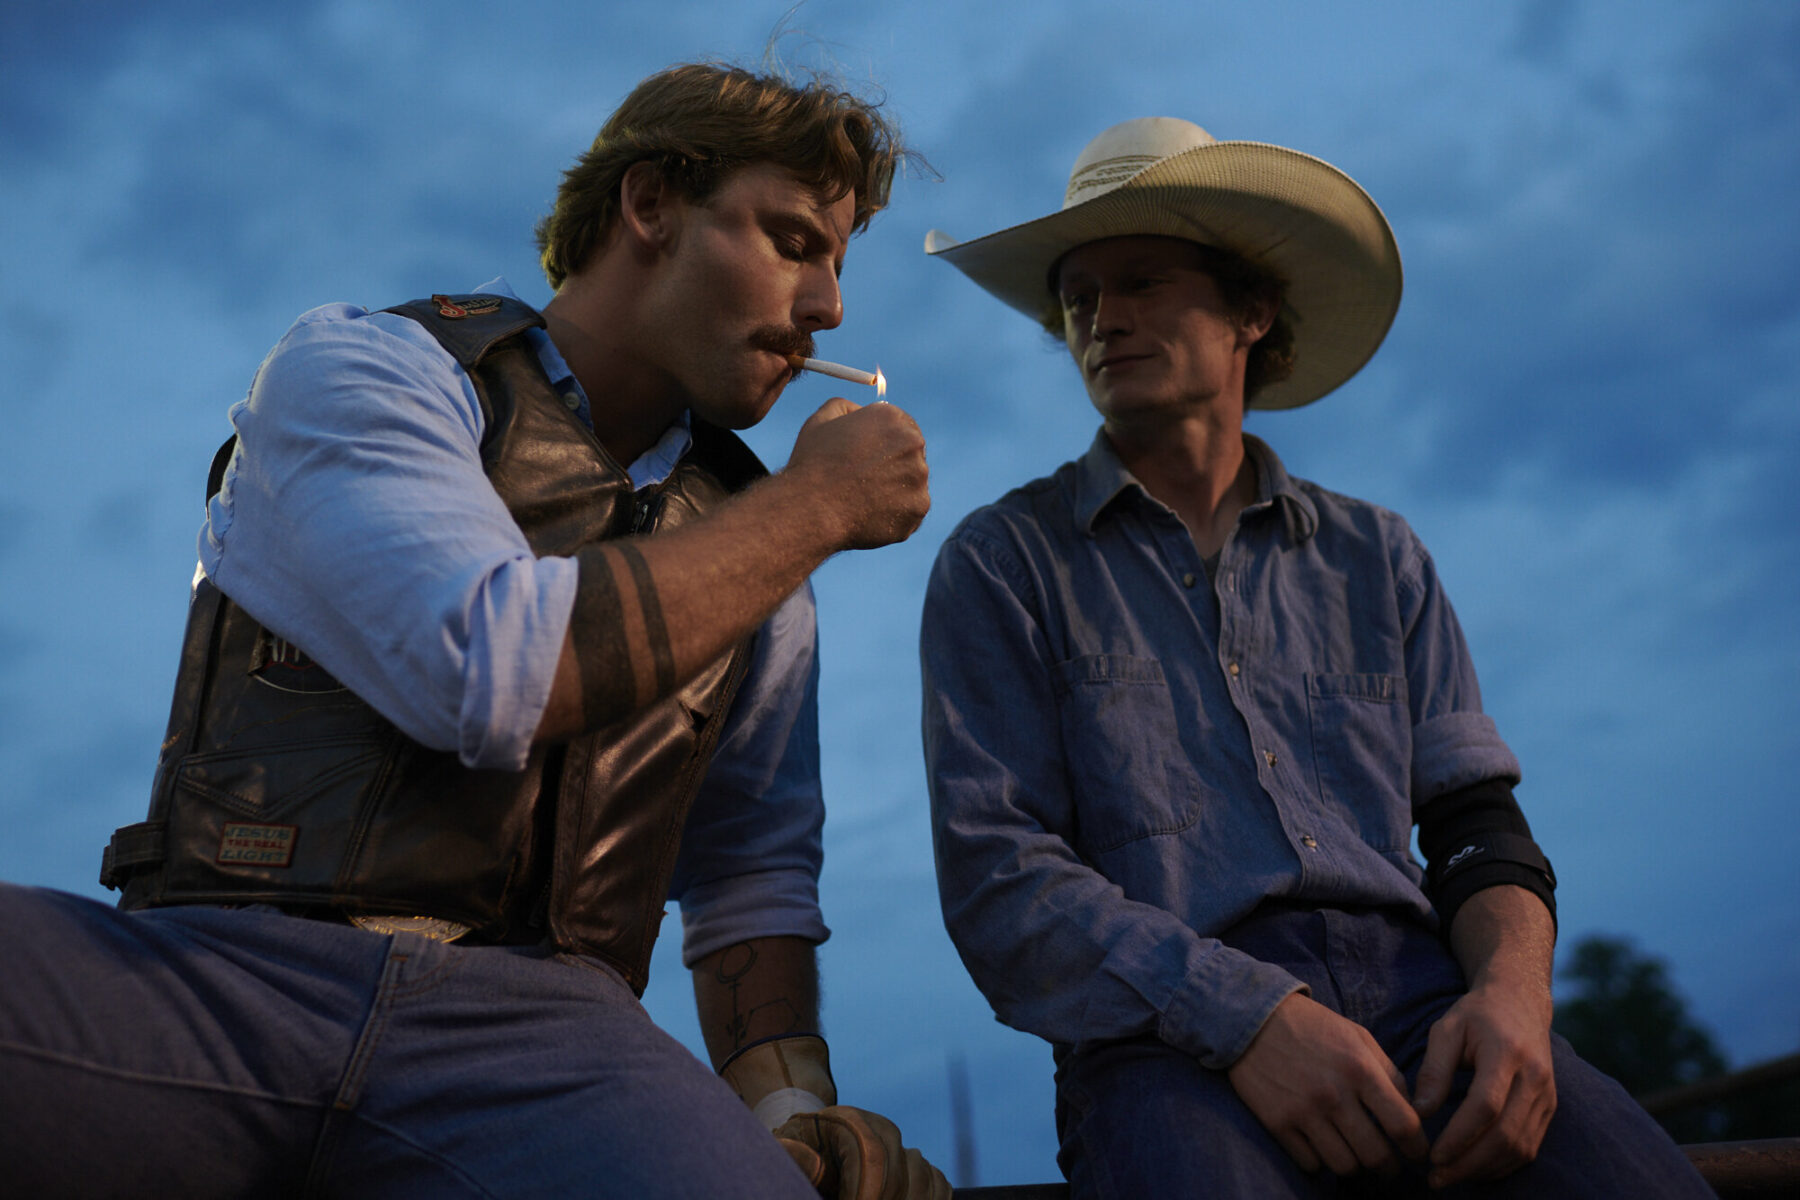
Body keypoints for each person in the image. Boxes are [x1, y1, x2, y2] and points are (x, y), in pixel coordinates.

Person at [0, 62, 949, 1200]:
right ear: (649, 205)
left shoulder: (761, 563)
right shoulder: (371, 371)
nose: (830, 305)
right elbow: (488, 671)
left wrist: (793, 1120)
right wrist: (817, 505)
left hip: (555, 1041)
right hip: (223, 974)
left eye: (839, 262)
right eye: (795, 241)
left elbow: (750, 873)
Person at [920, 117, 1712, 1197]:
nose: (1102, 318)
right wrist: (1245, 1018)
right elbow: (997, 879)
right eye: (1078, 297)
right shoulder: (1003, 563)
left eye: (1142, 280)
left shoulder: (1377, 555)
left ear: (1253, 309)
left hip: (1431, 997)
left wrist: (1515, 1003)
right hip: (1164, 1043)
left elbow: (1478, 823)